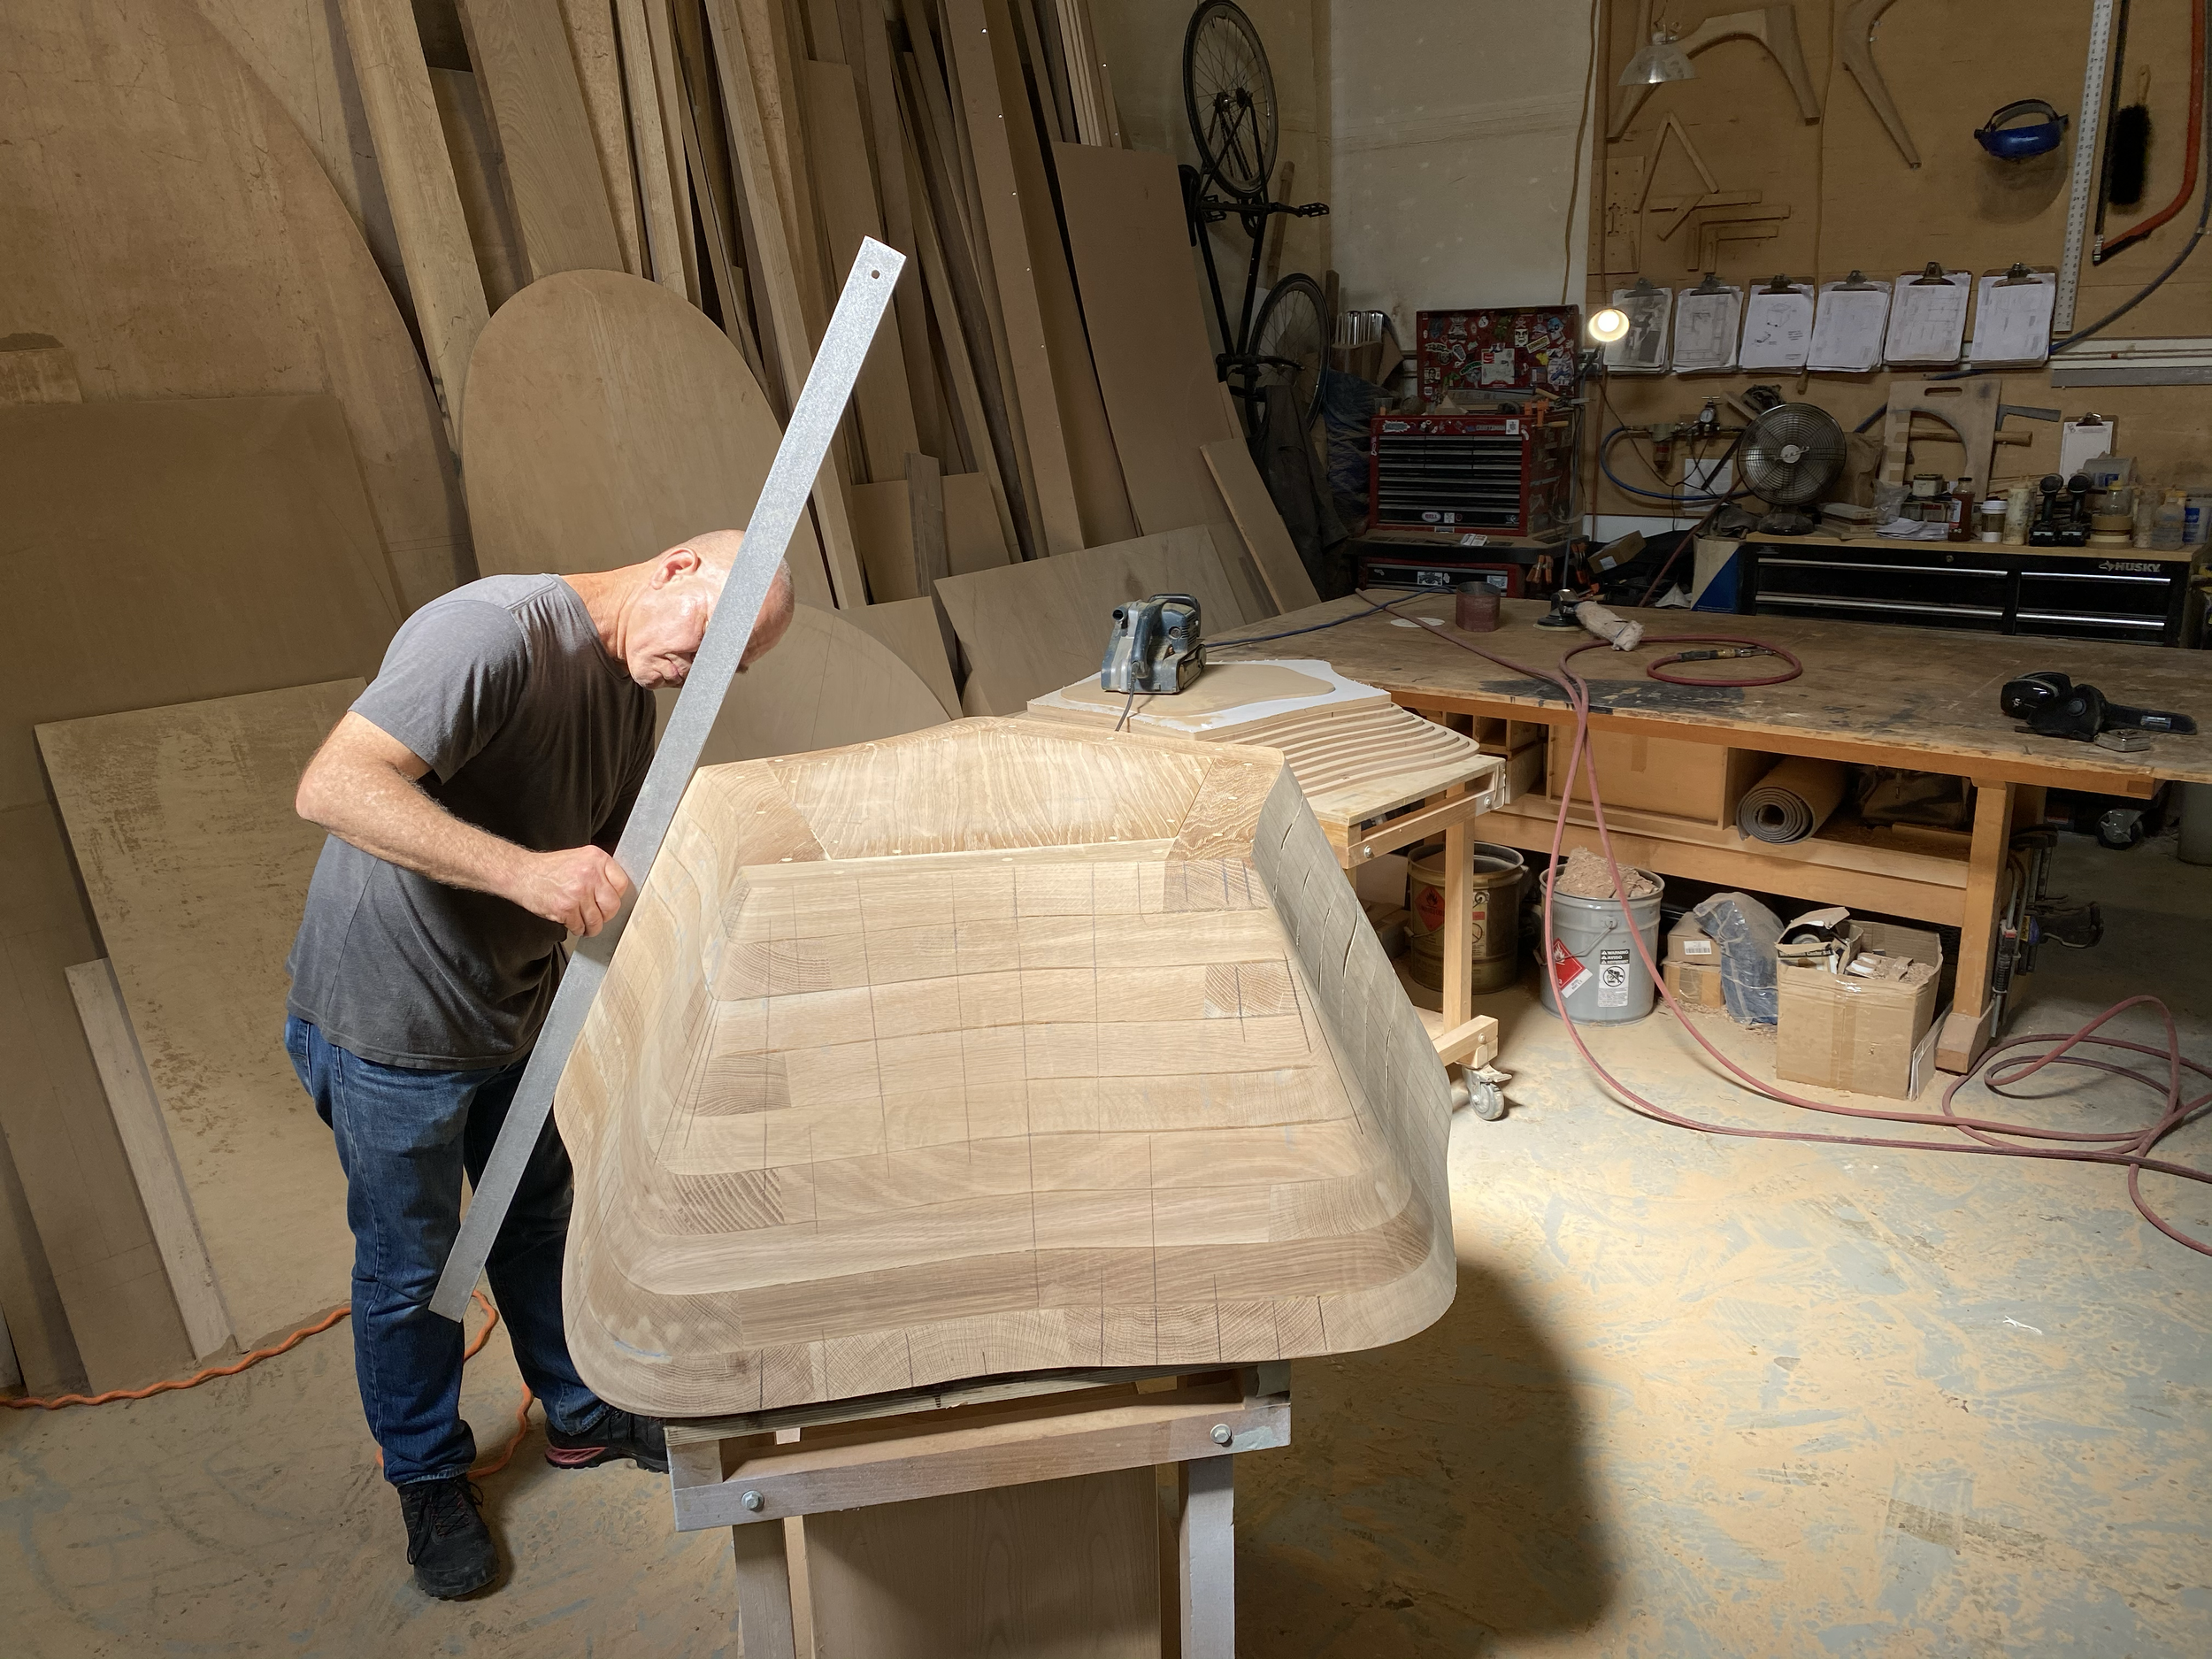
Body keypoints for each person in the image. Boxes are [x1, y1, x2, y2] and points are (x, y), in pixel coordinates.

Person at [284, 533, 795, 1600]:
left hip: (509, 1014)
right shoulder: (493, 632)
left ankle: (578, 1412)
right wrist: (527, 876)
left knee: (536, 1220)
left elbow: (606, 875)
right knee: (410, 1268)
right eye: (714, 643)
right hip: (390, 1019)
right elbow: (334, 785)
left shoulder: (629, 693)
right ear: (674, 572)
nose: (711, 676)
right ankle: (427, 1474)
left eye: (735, 668)